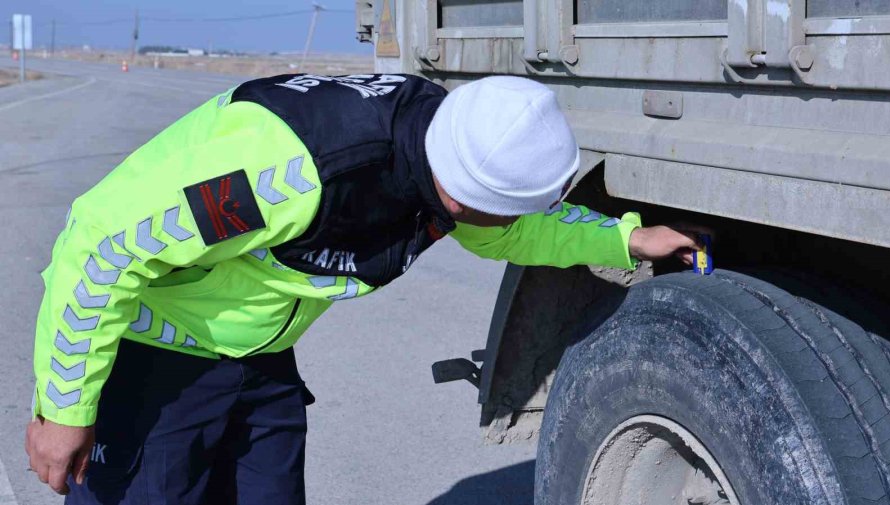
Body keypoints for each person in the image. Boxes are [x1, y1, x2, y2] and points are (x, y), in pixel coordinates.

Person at [26, 74, 702, 504]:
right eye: (508, 208)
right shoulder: (283, 176)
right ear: (463, 196)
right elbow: (101, 248)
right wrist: (66, 408)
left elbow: (513, 230)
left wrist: (622, 240)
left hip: (259, 358)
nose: (516, 222)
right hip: (159, 364)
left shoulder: (444, 141)